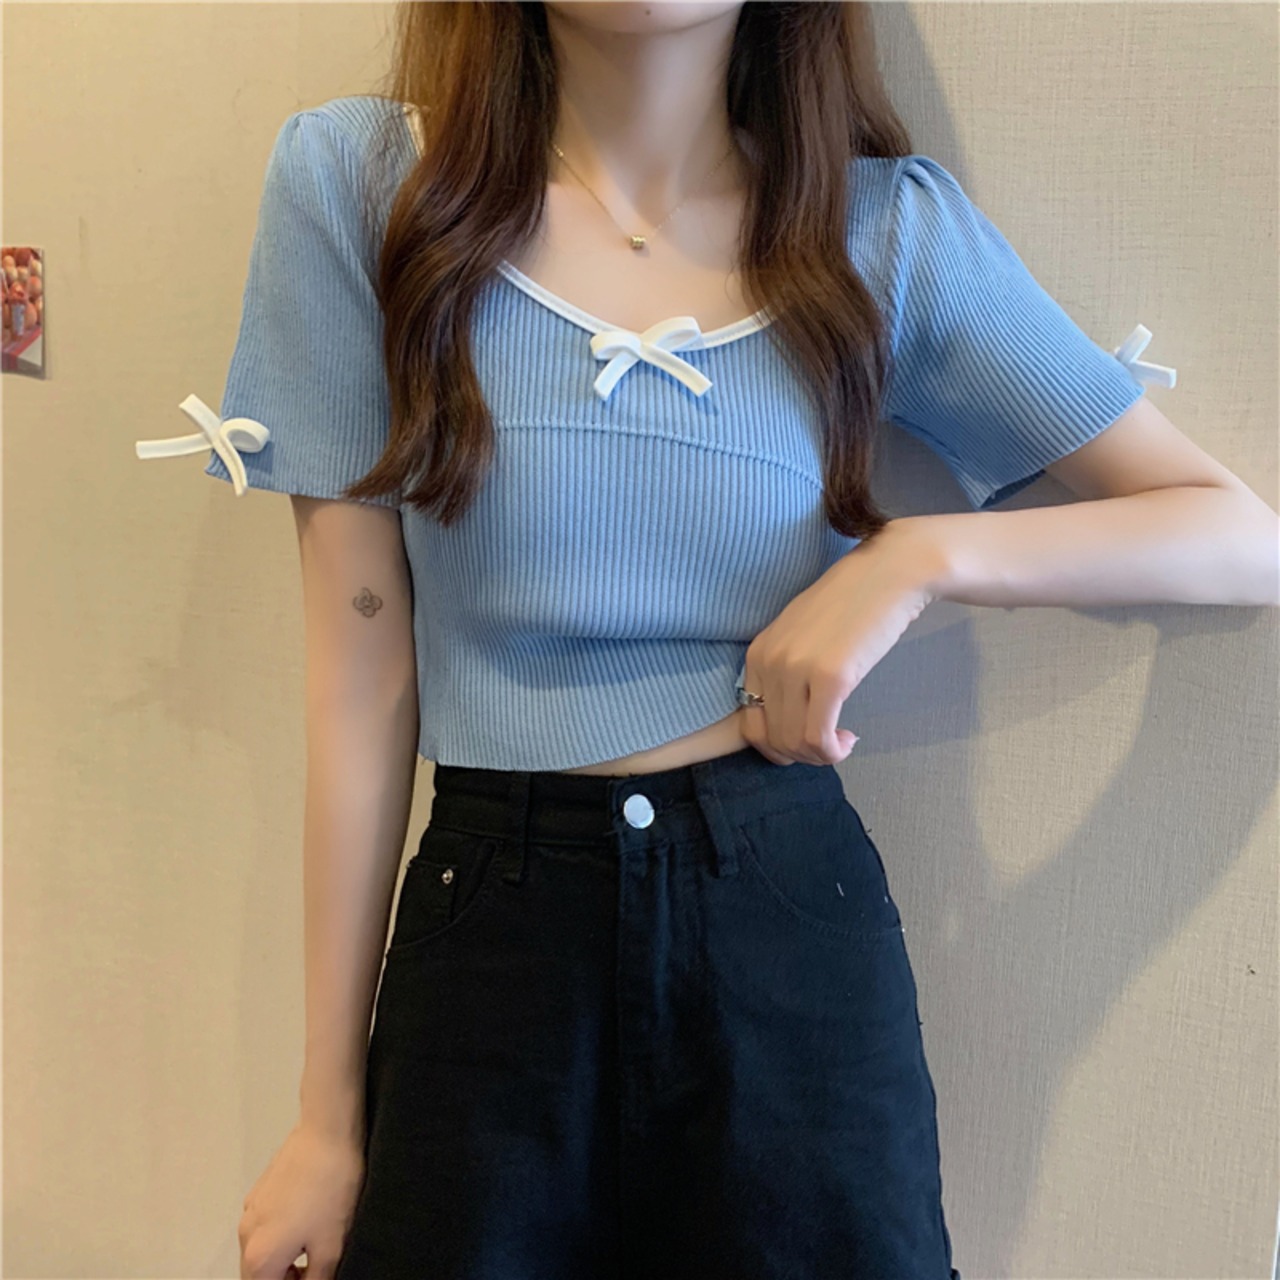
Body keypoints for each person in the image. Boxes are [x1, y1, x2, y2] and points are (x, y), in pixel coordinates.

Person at [180, 3, 1277, 1278]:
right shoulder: (366, 189)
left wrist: (915, 559)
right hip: (487, 942)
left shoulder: (879, 235)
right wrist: (326, 1119)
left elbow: (1233, 534)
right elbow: (359, 676)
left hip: (784, 929)